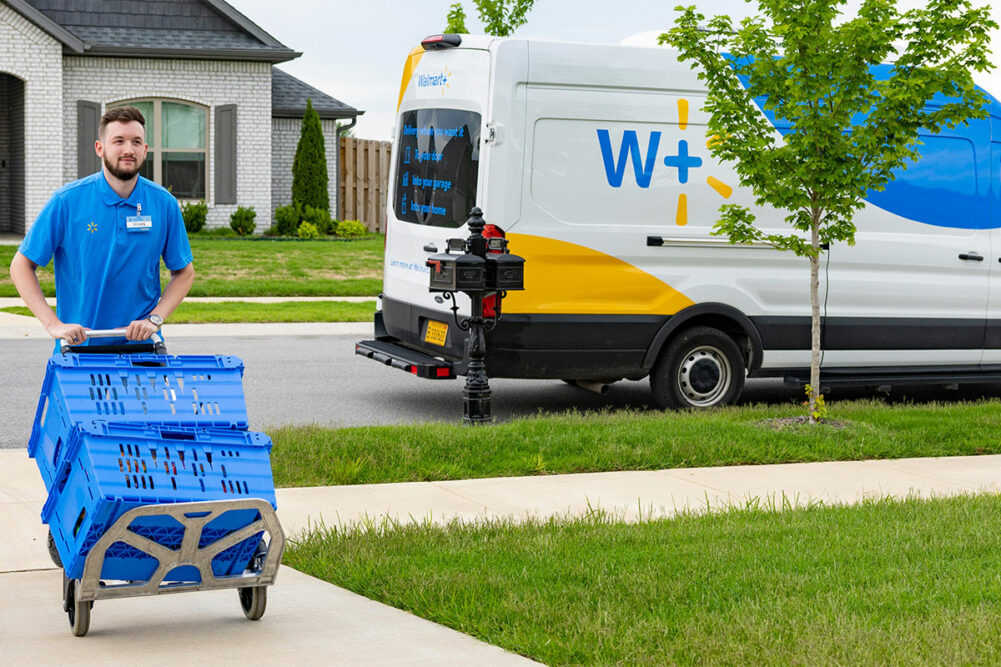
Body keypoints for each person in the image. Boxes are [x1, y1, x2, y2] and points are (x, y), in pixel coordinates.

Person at [9, 106, 194, 351]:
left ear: (145, 150)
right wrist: (52, 323)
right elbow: (21, 265)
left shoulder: (164, 203)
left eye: (136, 142)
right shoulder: (67, 201)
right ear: (100, 148)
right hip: (79, 347)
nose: (129, 149)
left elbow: (184, 272)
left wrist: (155, 319)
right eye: (119, 141)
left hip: (141, 349)